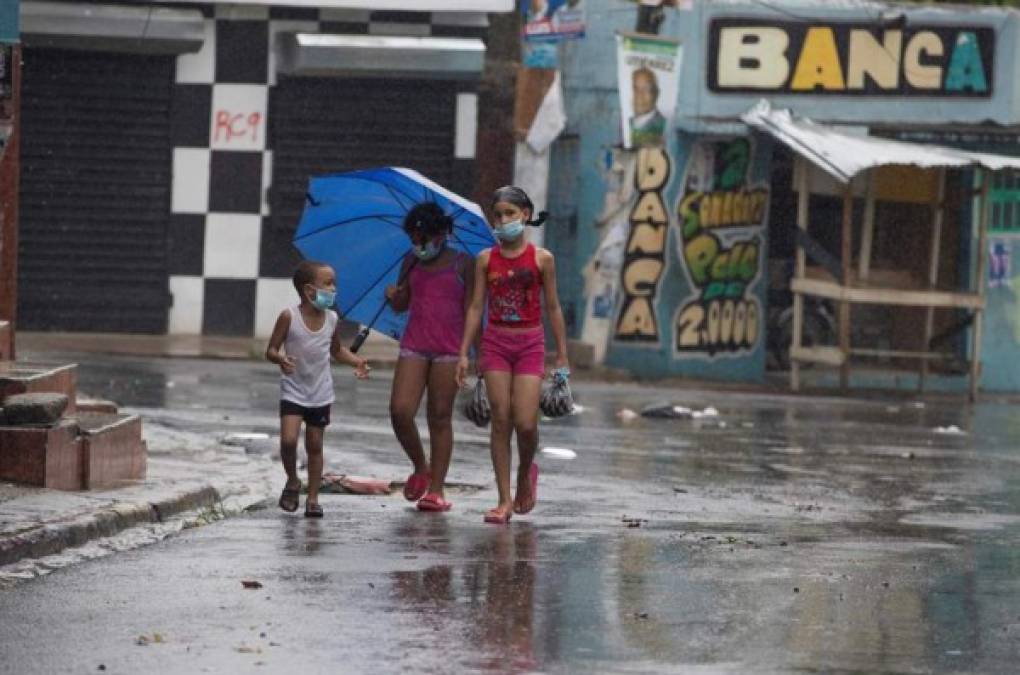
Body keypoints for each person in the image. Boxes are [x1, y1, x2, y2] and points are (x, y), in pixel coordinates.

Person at [456, 186, 570, 524]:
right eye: (499, 214)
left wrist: (561, 354)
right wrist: (464, 352)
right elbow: (477, 306)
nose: (504, 220)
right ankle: (504, 499)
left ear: (525, 214)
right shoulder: (485, 259)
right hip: (495, 344)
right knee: (500, 420)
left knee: (525, 421)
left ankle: (524, 474)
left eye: (510, 213)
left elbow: (552, 306)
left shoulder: (542, 259)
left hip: (530, 343)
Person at [385, 202, 475, 512]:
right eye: (413, 239)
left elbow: (473, 310)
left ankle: (436, 490)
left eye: (423, 238)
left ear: (442, 234)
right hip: (415, 344)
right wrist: (394, 296)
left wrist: (468, 353)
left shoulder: (465, 264)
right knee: (400, 410)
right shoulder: (410, 261)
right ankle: (420, 466)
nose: (418, 245)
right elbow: (402, 305)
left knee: (439, 416)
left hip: (449, 350)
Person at [266, 260, 370, 518]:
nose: (333, 289)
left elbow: (336, 351)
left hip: (320, 392)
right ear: (309, 290)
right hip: (293, 389)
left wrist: (357, 361)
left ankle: (312, 499)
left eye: (334, 283)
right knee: (288, 441)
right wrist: (280, 359)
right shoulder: (289, 316)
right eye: (328, 283)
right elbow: (270, 350)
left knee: (315, 444)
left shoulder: (332, 319)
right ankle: (292, 480)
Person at [629, 66, 667, 148]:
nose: (639, 95)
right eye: (635, 89)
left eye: (646, 89)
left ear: (656, 93)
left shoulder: (663, 126)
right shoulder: (628, 124)